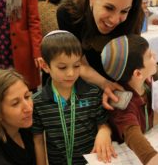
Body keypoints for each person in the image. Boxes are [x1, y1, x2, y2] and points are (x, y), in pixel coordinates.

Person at [57, 0, 144, 110]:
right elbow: (79, 63)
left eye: (124, 11)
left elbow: (132, 56)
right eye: (109, 8)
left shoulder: (134, 16)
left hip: (120, 88)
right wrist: (105, 84)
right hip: (83, 91)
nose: (115, 20)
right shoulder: (68, 13)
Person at [33, 30, 116, 165]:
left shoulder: (93, 93)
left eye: (77, 65)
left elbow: (103, 123)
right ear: (45, 66)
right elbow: (38, 141)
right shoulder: (37, 102)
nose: (71, 73)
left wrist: (104, 132)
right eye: (62, 67)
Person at [101, 34, 158, 164]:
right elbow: (131, 132)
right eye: (149, 56)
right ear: (137, 73)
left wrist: (147, 71)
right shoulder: (121, 101)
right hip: (126, 155)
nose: (154, 55)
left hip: (149, 137)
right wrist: (152, 158)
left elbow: (150, 70)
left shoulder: (145, 83)